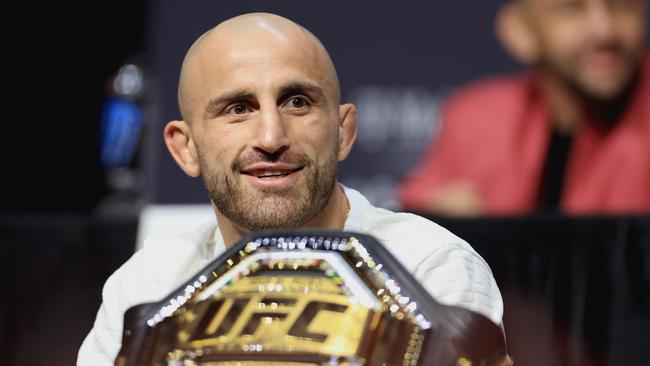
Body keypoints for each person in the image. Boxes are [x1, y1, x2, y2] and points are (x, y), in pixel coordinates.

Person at [77, 13, 504, 365]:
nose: (270, 136)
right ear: (185, 148)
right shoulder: (147, 284)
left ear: (343, 131)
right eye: (238, 108)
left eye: (297, 102)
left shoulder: (430, 268)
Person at [399, 0, 649, 216]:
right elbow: (416, 209)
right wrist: (438, 224)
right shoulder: (474, 118)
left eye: (622, 6)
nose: (605, 31)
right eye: (572, 9)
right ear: (521, 32)